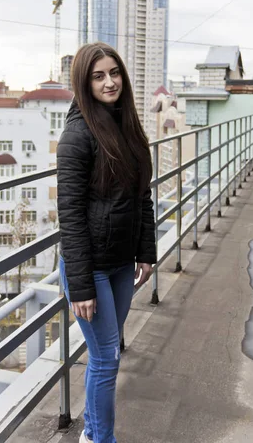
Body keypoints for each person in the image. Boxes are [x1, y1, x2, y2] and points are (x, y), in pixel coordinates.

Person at [57, 42, 156, 443]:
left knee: (107, 353)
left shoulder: (127, 126)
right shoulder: (77, 136)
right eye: (98, 76)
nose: (110, 81)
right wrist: (79, 285)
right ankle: (101, 439)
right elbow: (71, 216)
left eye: (114, 73)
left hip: (120, 264)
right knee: (105, 359)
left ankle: (92, 432)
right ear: (84, 82)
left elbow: (141, 195)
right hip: (91, 268)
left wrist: (147, 251)